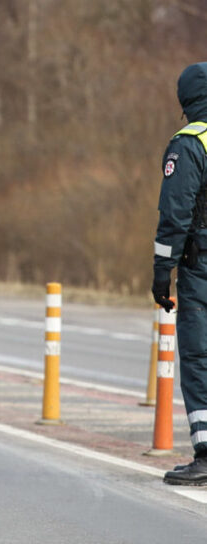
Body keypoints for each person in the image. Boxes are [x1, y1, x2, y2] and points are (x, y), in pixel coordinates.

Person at [153, 62, 207, 486]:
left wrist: (162, 270)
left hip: (201, 268)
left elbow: (175, 215)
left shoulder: (189, 144)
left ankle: (206, 453)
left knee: (198, 356)